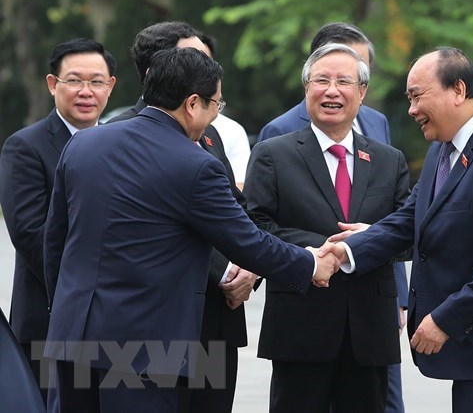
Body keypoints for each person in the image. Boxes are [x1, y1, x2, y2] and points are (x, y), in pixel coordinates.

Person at [43, 47, 340, 413]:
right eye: (216, 104)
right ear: (192, 103)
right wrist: (311, 264)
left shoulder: (83, 144)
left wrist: (62, 312)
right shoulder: (195, 165)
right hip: (147, 349)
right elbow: (248, 243)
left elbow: (54, 240)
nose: (216, 114)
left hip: (72, 336)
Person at [319, 46, 473, 413]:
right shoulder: (445, 147)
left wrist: (446, 318)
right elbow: (413, 217)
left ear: (457, 91)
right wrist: (351, 250)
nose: (411, 110)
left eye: (416, 96)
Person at [245, 43, 410, 412]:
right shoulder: (273, 154)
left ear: (362, 92)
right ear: (306, 88)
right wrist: (325, 248)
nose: (331, 91)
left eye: (343, 82)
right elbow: (255, 226)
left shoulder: (388, 160)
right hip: (300, 322)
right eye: (321, 80)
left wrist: (368, 241)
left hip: (369, 329)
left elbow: (409, 233)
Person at [107, 20, 255, 413]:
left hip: (215, 322)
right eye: (194, 60)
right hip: (152, 331)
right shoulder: (121, 135)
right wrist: (225, 271)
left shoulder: (210, 133)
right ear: (161, 69)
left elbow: (236, 213)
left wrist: (249, 269)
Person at [0, 38, 117, 401]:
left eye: (96, 81)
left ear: (111, 86)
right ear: (53, 84)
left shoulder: (120, 145)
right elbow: (32, 236)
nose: (86, 91)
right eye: (74, 80)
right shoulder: (26, 147)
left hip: (116, 320)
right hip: (51, 318)